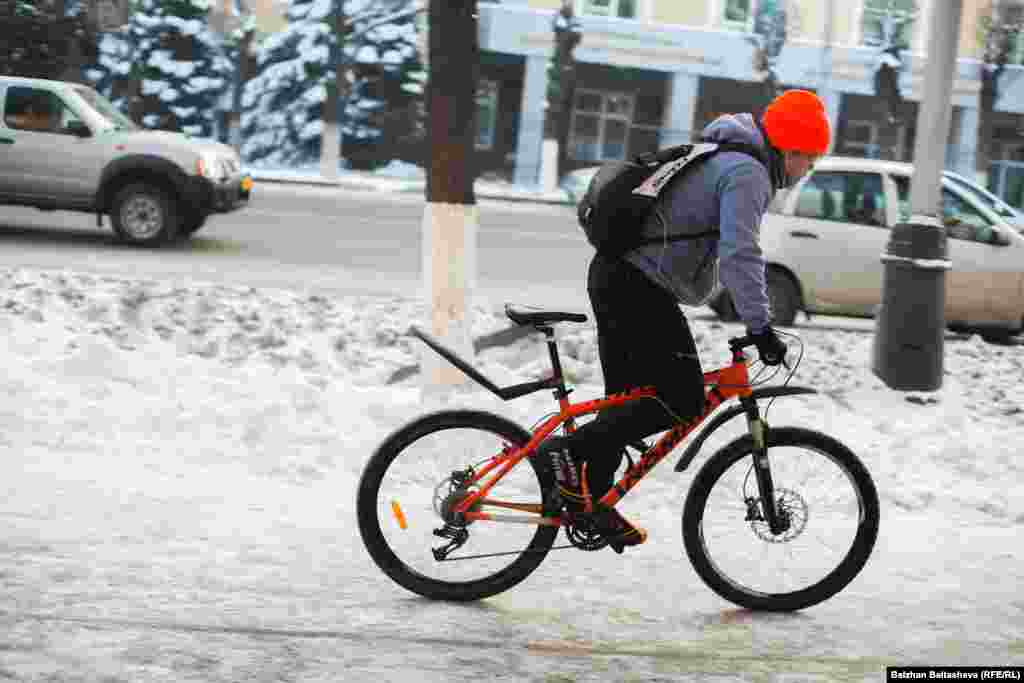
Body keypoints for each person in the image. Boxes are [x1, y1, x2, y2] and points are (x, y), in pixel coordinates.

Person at [539, 89, 831, 553]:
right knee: (683, 399)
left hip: (616, 275)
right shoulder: (749, 173)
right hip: (636, 285)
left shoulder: (724, 153)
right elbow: (740, 254)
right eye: (809, 158)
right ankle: (566, 454)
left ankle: (590, 502)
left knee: (627, 402)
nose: (808, 169)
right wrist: (760, 327)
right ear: (789, 149)